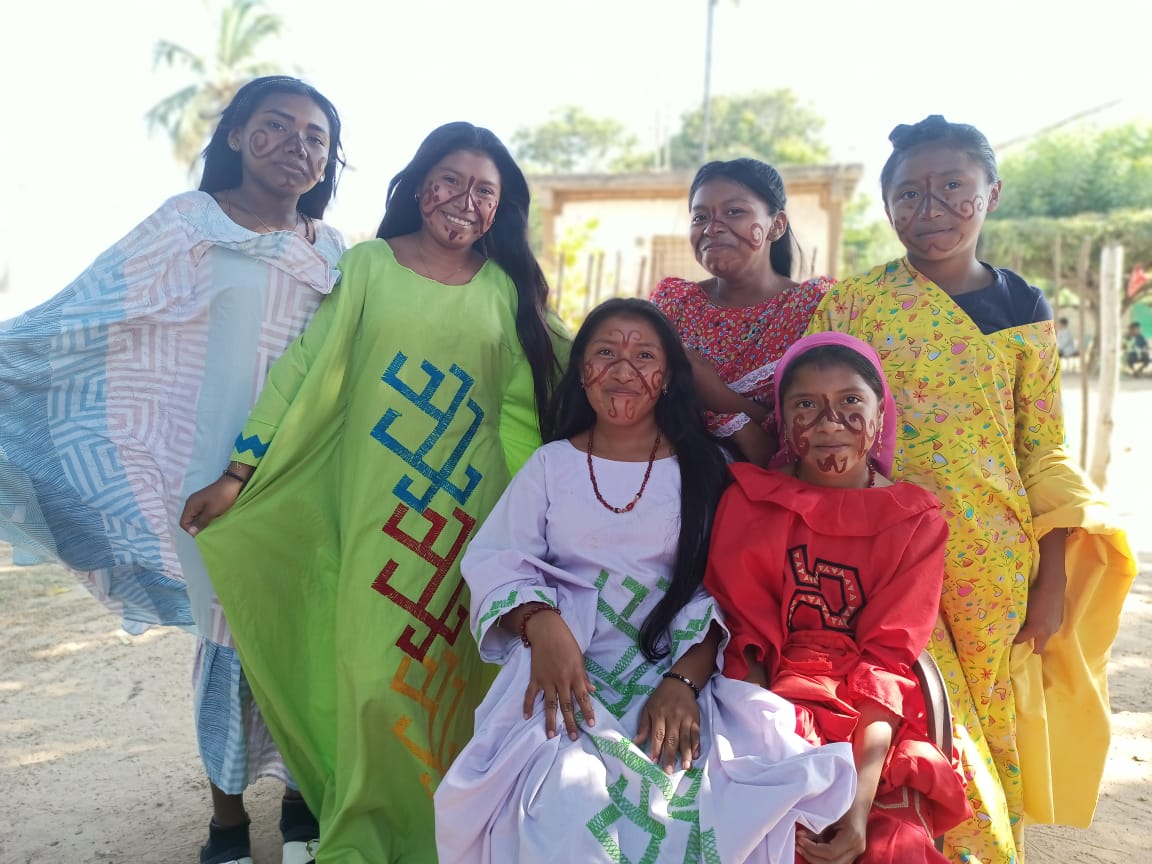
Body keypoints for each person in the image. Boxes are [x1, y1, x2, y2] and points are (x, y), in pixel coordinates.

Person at [180, 121, 569, 863]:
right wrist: (241, 472)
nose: (465, 200)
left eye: (485, 191)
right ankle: (364, 826)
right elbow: (307, 368)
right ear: (420, 186)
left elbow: (539, 395)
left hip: (471, 520)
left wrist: (540, 519)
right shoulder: (368, 267)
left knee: (463, 684)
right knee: (372, 677)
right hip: (376, 515)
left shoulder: (506, 289)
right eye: (451, 180)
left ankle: (449, 834)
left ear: (500, 209)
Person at [0, 75, 346, 864]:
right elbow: (88, 314)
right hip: (208, 486)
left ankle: (300, 801)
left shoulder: (333, 249)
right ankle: (227, 819)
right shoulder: (187, 223)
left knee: (305, 641)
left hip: (303, 482)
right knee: (228, 643)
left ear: (329, 160)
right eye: (276, 125)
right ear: (234, 135)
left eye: (316, 136)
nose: (297, 143)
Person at [808, 115, 1136, 863]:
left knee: (983, 722)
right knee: (903, 709)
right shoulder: (850, 307)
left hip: (990, 558)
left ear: (991, 191)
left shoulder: (1024, 307)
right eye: (909, 194)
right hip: (881, 549)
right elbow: (813, 424)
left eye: (953, 187)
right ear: (886, 207)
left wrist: (1050, 577)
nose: (932, 211)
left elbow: (1041, 450)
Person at [434, 298, 856, 863]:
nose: (623, 369)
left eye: (644, 355)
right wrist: (542, 625)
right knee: (558, 806)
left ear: (668, 379)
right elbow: (498, 560)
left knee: (697, 807)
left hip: (679, 672)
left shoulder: (709, 470)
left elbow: (728, 594)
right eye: (605, 352)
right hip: (565, 677)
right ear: (582, 371)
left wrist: (683, 684)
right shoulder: (550, 466)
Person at [704, 332, 971, 864]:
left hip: (870, 719)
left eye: (851, 401)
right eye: (806, 405)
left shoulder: (916, 521)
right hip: (766, 708)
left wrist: (855, 804)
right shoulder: (750, 503)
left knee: (888, 845)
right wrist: (770, 764)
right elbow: (747, 646)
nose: (829, 423)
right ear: (782, 421)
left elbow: (887, 664)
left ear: (880, 415)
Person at [651, 158, 834, 466]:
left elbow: (820, 424)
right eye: (700, 217)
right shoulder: (674, 303)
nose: (712, 228)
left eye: (734, 212)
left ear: (776, 225)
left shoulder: (814, 309)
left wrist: (718, 396)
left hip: (771, 498)